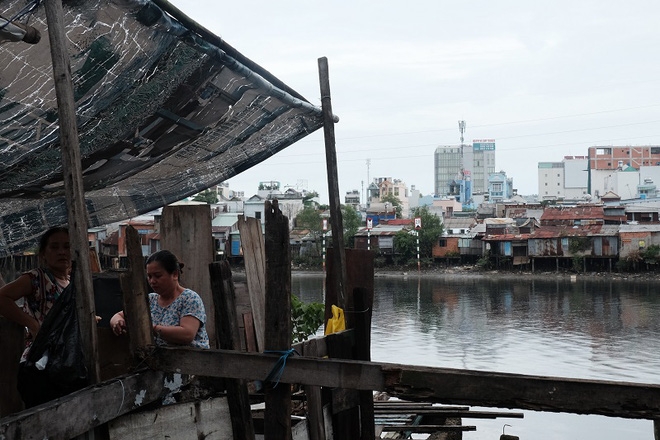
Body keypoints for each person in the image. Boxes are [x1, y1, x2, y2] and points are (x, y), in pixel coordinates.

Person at [109, 250, 209, 349]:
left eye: (158, 276)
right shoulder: (150, 299)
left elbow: (187, 334)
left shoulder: (190, 299)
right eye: (149, 276)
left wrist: (150, 329)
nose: (152, 281)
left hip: (189, 357)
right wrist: (118, 323)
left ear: (175, 274)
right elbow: (118, 315)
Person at [0, 226, 71, 362]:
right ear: (43, 254)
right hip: (42, 358)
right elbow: (2, 298)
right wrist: (33, 325)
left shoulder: (73, 283)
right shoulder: (37, 278)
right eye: (54, 247)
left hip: (69, 357)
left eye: (67, 247)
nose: (62, 252)